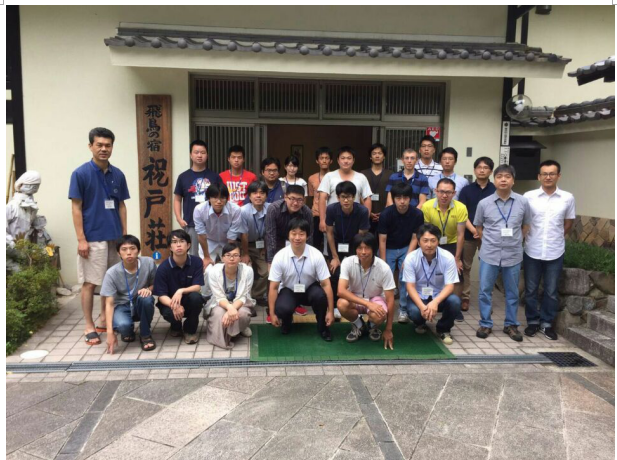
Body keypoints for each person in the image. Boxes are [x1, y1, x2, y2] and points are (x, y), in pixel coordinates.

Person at [69, 127, 130, 346]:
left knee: (110, 281)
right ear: (90, 146)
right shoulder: (80, 174)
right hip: (93, 238)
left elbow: (121, 205)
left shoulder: (118, 174)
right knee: (90, 283)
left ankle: (105, 318)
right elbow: (76, 207)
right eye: (99, 145)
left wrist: (124, 237)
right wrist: (81, 239)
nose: (104, 149)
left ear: (112, 147)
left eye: (108, 145)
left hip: (115, 238)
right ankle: (89, 325)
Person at [473, 164, 531, 342]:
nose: (503, 180)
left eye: (507, 176)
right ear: (494, 180)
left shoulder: (523, 202)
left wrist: (515, 241)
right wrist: (490, 242)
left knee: (512, 291)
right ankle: (485, 323)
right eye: (499, 177)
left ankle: (511, 325)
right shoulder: (484, 203)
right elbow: (479, 227)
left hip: (513, 254)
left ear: (513, 180)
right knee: (485, 290)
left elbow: (526, 226)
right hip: (489, 253)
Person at [523, 160, 575, 340]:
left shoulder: (567, 198)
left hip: (555, 250)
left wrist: (557, 237)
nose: (548, 177)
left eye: (552, 173)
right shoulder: (529, 196)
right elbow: (524, 221)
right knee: (530, 290)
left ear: (558, 176)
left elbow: (568, 223)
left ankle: (546, 324)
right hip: (532, 249)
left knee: (551, 291)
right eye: (544, 174)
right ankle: (532, 322)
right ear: (539, 176)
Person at [268, 218, 335, 341]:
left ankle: (323, 327)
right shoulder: (280, 256)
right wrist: (272, 314)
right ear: (288, 235)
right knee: (282, 308)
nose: (297, 238)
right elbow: (273, 287)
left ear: (307, 236)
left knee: (320, 296)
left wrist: (331, 311)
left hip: (310, 289)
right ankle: (287, 322)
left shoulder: (316, 255)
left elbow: (326, 284)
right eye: (294, 233)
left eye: (301, 234)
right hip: (289, 290)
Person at [402, 224, 461, 345]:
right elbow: (410, 287)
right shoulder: (411, 258)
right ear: (418, 242)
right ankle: (420, 324)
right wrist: (422, 307)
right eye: (425, 240)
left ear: (438, 241)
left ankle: (443, 329)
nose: (429, 245)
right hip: (418, 296)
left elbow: (450, 286)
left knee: (455, 301)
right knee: (414, 311)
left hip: (439, 296)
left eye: (433, 240)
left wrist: (435, 302)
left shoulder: (448, 257)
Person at [421, 178, 468, 321]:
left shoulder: (461, 208)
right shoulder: (427, 206)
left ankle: (455, 307)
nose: (444, 195)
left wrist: (457, 258)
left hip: (452, 243)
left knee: (457, 273)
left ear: (454, 193)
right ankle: (428, 303)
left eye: (448, 192)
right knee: (430, 271)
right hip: (433, 242)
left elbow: (460, 234)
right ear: (435, 191)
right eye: (441, 191)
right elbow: (426, 231)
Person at [101, 235, 157, 354]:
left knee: (147, 299)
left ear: (139, 250)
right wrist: (109, 332)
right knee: (124, 326)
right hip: (122, 305)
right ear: (118, 253)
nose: (129, 253)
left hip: (140, 301)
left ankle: (145, 335)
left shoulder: (149, 263)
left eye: (132, 248)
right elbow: (109, 304)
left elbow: (155, 284)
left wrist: (148, 289)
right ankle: (127, 330)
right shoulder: (112, 273)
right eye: (124, 249)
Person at [338, 233, 396, 348]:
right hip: (356, 298)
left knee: (380, 315)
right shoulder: (347, 262)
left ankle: (372, 326)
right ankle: (359, 325)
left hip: (376, 299)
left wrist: (388, 329)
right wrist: (368, 304)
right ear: (355, 249)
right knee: (341, 304)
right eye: (360, 248)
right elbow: (341, 291)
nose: (363, 252)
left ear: (374, 249)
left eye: (367, 248)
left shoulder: (384, 268)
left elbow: (390, 300)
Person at [264, 184, 314, 318]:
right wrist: (270, 260)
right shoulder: (273, 209)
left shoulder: (307, 212)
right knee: (273, 277)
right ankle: (271, 310)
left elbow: (309, 236)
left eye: (299, 200)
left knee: (297, 272)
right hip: (278, 244)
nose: (295, 203)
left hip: (298, 245)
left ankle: (296, 303)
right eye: (292, 199)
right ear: (285, 197)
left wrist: (308, 256)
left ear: (304, 200)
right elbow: (270, 235)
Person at [378, 182, 424, 324]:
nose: (402, 201)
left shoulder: (417, 214)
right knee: (384, 277)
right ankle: (382, 308)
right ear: (393, 199)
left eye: (405, 198)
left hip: (406, 247)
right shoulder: (386, 214)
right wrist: (383, 261)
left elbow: (415, 238)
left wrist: (408, 258)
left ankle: (403, 310)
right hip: (388, 247)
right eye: (398, 198)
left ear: (410, 198)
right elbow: (382, 240)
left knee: (406, 278)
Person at [325, 181, 370, 317]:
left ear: (354, 197)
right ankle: (334, 306)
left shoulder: (362, 211)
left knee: (355, 272)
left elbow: (361, 237)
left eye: (349, 197)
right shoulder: (331, 209)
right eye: (343, 197)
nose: (346, 200)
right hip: (336, 244)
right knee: (334, 273)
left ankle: (356, 304)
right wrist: (334, 257)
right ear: (338, 197)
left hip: (354, 244)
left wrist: (356, 257)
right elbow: (329, 233)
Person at [153, 229, 205, 344]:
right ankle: (175, 326)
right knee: (169, 313)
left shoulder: (197, 262)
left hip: (188, 300)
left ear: (188, 245)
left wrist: (180, 291)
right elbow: (161, 295)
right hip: (169, 302)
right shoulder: (163, 267)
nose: (178, 245)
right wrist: (175, 305)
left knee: (196, 298)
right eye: (174, 242)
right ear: (170, 247)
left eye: (182, 241)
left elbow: (197, 287)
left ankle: (190, 331)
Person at [458, 157, 496, 313]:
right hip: (469, 234)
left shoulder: (495, 190)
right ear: (474, 170)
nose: (482, 170)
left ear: (491, 171)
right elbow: (462, 212)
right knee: (465, 266)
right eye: (479, 167)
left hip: (489, 235)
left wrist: (483, 232)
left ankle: (486, 299)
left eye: (486, 168)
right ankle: (465, 297)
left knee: (489, 267)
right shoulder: (466, 190)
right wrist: (474, 230)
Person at [173, 140, 223, 256]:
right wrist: (179, 218)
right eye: (196, 152)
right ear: (191, 155)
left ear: (207, 155)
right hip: (191, 223)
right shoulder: (183, 177)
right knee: (194, 255)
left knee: (213, 256)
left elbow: (222, 198)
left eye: (203, 152)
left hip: (212, 223)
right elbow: (177, 199)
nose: (199, 155)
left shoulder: (215, 176)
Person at [205, 242, 255, 349]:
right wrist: (229, 308)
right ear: (222, 258)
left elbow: (243, 296)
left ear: (240, 258)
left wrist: (230, 310)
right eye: (228, 255)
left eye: (235, 255)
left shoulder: (247, 271)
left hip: (241, 302)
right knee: (219, 313)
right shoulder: (214, 271)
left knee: (243, 314)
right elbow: (218, 296)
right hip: (220, 302)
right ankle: (224, 333)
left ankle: (241, 328)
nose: (232, 258)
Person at [317, 146, 373, 235]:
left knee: (356, 242)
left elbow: (367, 199)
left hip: (355, 221)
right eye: (343, 158)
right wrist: (322, 220)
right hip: (333, 221)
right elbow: (322, 198)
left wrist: (365, 220)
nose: (346, 161)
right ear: (338, 160)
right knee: (332, 242)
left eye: (349, 158)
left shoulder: (361, 177)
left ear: (353, 160)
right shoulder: (329, 176)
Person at [193, 183, 243, 267]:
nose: (219, 201)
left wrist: (229, 255)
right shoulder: (199, 210)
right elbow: (201, 234)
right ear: (209, 198)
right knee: (207, 270)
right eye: (215, 198)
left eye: (222, 198)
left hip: (227, 242)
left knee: (229, 268)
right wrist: (206, 257)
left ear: (226, 199)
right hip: (208, 242)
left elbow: (232, 235)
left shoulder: (235, 210)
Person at [238, 181, 270, 306]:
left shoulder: (271, 208)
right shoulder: (243, 211)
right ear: (249, 196)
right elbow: (244, 235)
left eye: (262, 193)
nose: (258, 196)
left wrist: (265, 248)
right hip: (244, 245)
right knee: (247, 270)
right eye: (254, 193)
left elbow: (270, 231)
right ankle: (244, 298)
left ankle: (256, 295)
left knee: (267, 271)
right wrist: (245, 254)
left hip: (261, 245)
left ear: (266, 195)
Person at [361, 144, 393, 235]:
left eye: (380, 153)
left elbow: (393, 194)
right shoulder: (363, 174)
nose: (377, 156)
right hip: (366, 214)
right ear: (370, 157)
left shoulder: (391, 174)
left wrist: (384, 213)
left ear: (384, 156)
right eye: (374, 153)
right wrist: (368, 212)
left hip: (386, 213)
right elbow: (359, 194)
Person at [308, 147, 333, 254]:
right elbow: (311, 197)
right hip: (316, 215)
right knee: (316, 244)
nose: (324, 160)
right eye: (321, 158)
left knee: (331, 243)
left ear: (331, 161)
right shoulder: (311, 178)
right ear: (317, 161)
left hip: (331, 214)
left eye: (327, 158)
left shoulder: (335, 177)